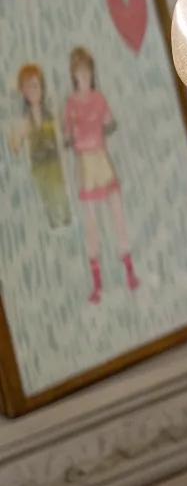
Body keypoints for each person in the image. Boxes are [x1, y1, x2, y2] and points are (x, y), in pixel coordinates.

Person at [63, 46, 139, 304]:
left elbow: (110, 121)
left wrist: (103, 128)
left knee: (117, 214)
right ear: (74, 75)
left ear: (91, 73)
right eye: (79, 72)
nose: (83, 76)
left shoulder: (99, 98)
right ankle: (98, 284)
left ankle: (130, 270)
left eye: (86, 71)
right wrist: (73, 138)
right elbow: (68, 135)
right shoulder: (71, 104)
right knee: (92, 223)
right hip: (86, 164)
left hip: (101, 159)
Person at [8, 63, 71, 229]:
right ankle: (54, 224)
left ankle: (66, 219)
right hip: (38, 166)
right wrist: (15, 137)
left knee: (59, 192)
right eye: (27, 88)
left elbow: (61, 133)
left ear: (42, 87)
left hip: (54, 163)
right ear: (22, 92)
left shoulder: (50, 112)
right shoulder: (25, 119)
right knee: (46, 196)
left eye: (35, 86)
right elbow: (16, 146)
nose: (32, 91)